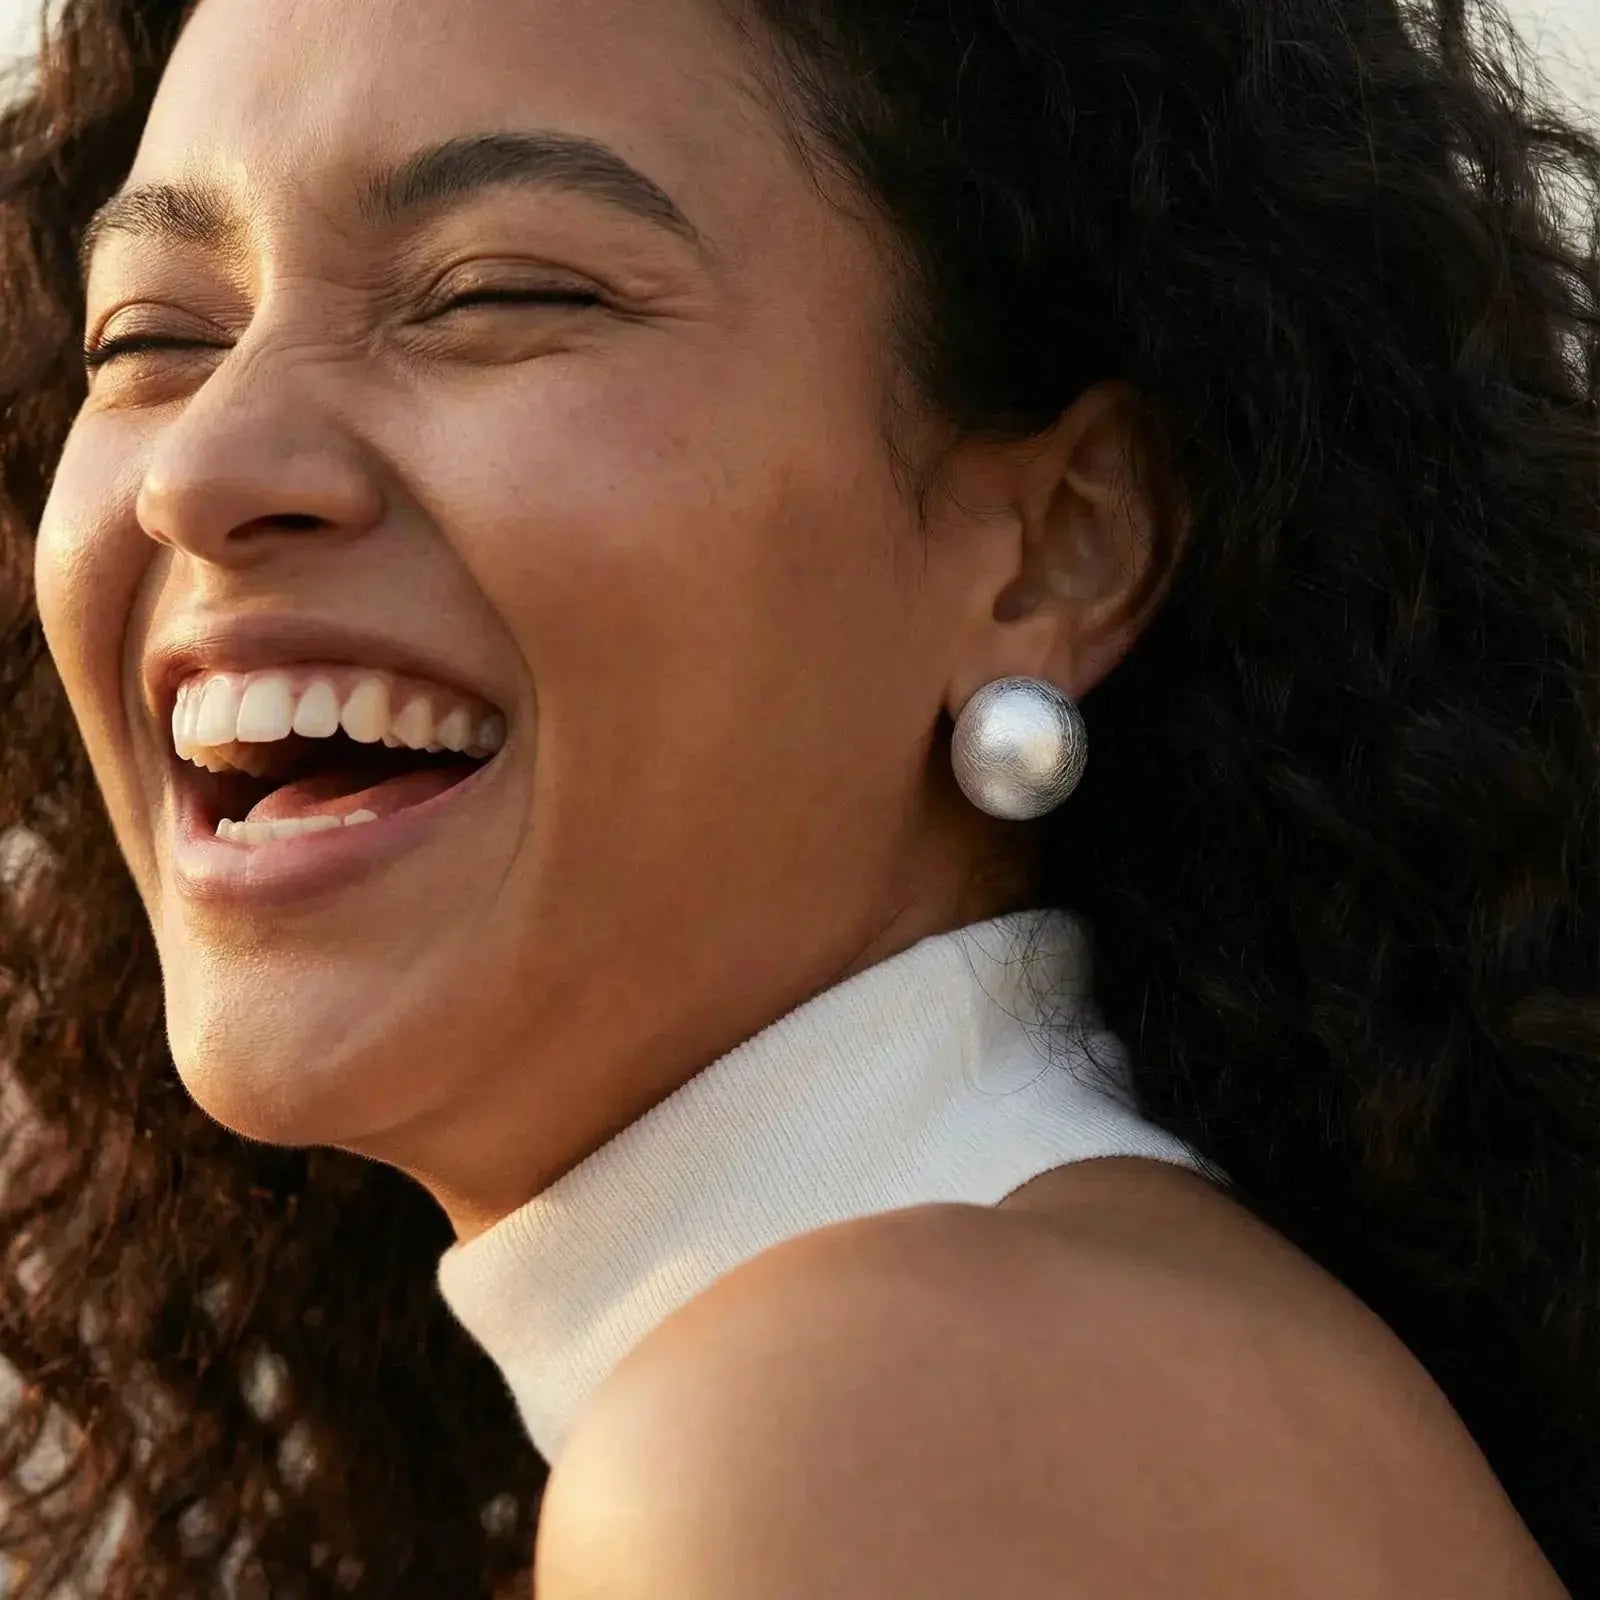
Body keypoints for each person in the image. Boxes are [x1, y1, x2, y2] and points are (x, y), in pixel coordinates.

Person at [0, 0, 1595, 1593]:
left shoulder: (860, 1429)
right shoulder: (1063, 1360)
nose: (197, 471)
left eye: (497, 292)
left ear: (1057, 544)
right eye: (152, 339)